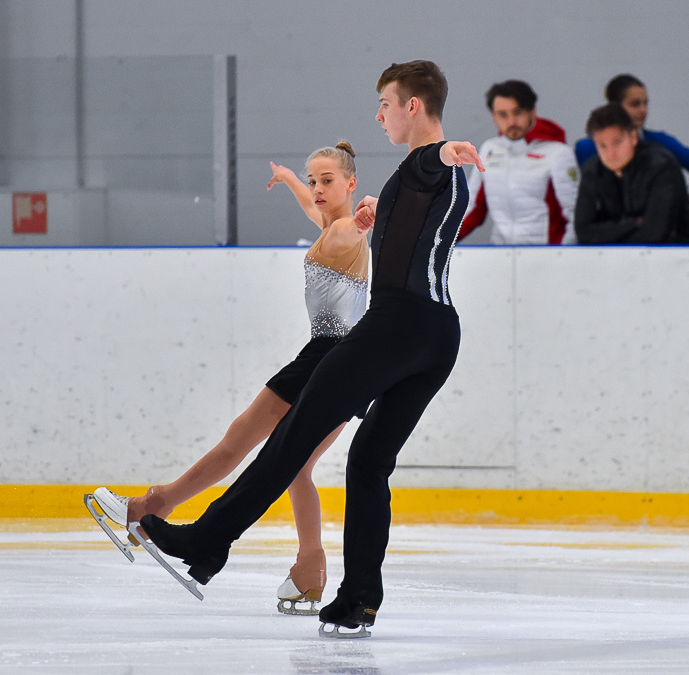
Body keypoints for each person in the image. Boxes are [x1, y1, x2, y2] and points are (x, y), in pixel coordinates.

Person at [139, 60, 485, 638]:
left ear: (413, 107)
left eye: (385, 104)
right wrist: (383, 213)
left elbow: (434, 159)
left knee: (294, 434)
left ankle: (207, 540)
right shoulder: (419, 178)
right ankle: (359, 598)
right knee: (369, 463)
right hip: (437, 335)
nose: (378, 115)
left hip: (397, 325)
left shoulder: (432, 164)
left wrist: (448, 151)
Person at [90, 141, 370, 615]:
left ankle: (154, 507)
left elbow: (351, 230)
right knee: (259, 448)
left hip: (333, 359)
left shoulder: (344, 230)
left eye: (328, 181)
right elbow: (312, 206)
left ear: (351, 184)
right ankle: (307, 568)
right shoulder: (326, 219)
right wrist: (287, 178)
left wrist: (365, 219)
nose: (318, 189)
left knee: (265, 451)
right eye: (315, 179)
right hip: (329, 359)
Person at [456, 79, 579, 245]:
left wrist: (563, 253)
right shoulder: (489, 149)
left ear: (532, 112)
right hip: (502, 254)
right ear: (494, 117)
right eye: (503, 115)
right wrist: (440, 244)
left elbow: (574, 213)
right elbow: (473, 208)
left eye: (518, 112)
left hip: (547, 254)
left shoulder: (558, 153)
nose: (511, 122)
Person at [574, 103, 689, 244]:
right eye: (602, 146)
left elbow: (654, 234)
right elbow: (583, 232)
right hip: (618, 255)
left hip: (681, 253)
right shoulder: (592, 170)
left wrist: (608, 233)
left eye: (617, 142)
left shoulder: (661, 166)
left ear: (633, 137)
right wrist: (633, 224)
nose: (610, 153)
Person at [574, 74, 689, 205]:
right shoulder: (587, 148)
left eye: (645, 103)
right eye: (635, 104)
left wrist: (687, 200)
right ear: (614, 107)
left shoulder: (659, 141)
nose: (643, 110)